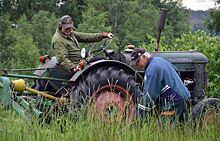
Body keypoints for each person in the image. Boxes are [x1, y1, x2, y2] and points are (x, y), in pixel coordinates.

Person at [131, 48, 190, 125]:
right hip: (184, 95)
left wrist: (138, 116)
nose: (138, 65)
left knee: (164, 129)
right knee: (183, 127)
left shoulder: (151, 70)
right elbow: (177, 72)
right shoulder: (161, 60)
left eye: (138, 62)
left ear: (144, 57)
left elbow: (149, 96)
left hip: (173, 99)